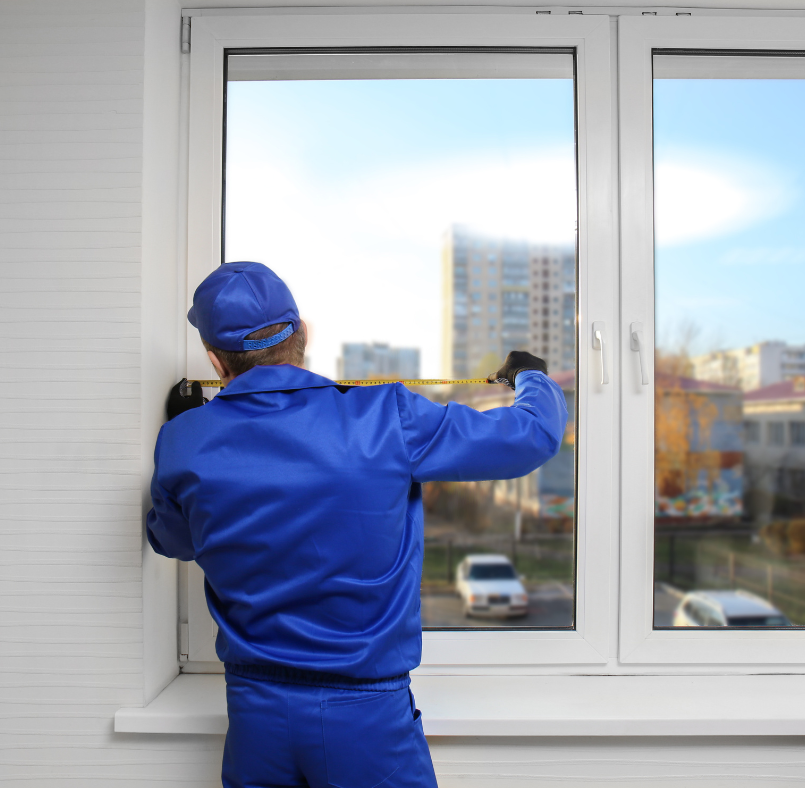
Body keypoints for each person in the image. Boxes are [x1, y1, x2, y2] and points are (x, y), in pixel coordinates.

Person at [147, 261, 567, 788]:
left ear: (215, 359)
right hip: (365, 719)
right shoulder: (384, 416)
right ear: (302, 334)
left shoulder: (184, 440)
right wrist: (531, 376)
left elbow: (173, 540)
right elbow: (531, 436)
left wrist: (185, 432)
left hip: (255, 718)